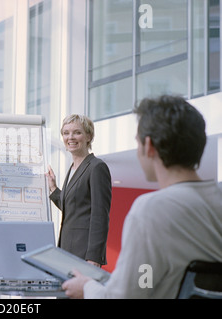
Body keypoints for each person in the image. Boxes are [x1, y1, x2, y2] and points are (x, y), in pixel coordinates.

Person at [62, 95, 222, 299]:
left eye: (137, 143)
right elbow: (145, 278)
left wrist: (86, 288)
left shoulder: (151, 211)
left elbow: (129, 295)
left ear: (149, 146)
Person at [46, 115, 112, 267]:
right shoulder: (72, 169)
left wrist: (94, 258)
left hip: (84, 254)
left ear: (88, 136)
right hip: (67, 250)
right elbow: (74, 208)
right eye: (66, 133)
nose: (70, 137)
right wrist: (54, 189)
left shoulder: (96, 167)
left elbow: (100, 216)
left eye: (77, 132)